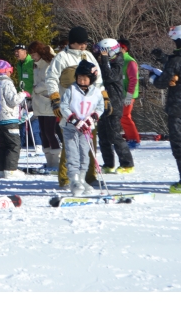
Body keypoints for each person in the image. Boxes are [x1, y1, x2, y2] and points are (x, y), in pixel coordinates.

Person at [45, 26, 108, 188]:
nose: (83, 46)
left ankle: (89, 176)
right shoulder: (62, 57)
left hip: (88, 106)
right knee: (71, 144)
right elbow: (51, 78)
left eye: (85, 43)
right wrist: (55, 98)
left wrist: (104, 97)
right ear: (72, 43)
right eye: (80, 43)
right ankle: (66, 178)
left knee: (90, 141)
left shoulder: (88, 56)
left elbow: (98, 79)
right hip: (71, 106)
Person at [151, 25, 181, 194]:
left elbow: (161, 82)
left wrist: (153, 77)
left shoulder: (176, 61)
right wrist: (163, 59)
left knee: (180, 145)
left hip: (179, 109)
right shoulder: (177, 60)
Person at [60, 60, 104, 196]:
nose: (81, 80)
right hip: (70, 128)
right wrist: (74, 120)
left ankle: (82, 179)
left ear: (91, 79)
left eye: (84, 78)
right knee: (73, 154)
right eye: (79, 77)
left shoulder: (96, 92)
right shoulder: (71, 90)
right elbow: (64, 106)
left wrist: (93, 118)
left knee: (85, 154)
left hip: (86, 129)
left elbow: (100, 108)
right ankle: (74, 180)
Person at [94, 39, 135, 174]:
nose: (101, 55)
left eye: (104, 52)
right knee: (103, 136)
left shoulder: (118, 63)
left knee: (114, 135)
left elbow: (109, 76)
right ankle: (108, 163)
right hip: (102, 104)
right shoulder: (106, 63)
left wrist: (104, 60)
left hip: (114, 104)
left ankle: (127, 163)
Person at [0, 60, 30, 178]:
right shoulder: (6, 83)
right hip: (9, 118)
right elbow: (13, 101)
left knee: (3, 144)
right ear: (7, 71)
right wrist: (23, 94)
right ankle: (11, 169)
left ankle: (1, 169)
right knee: (13, 144)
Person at [27, 41, 60, 168]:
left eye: (34, 54)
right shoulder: (36, 66)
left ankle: (56, 160)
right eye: (32, 55)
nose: (33, 57)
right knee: (42, 132)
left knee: (50, 132)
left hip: (48, 101)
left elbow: (49, 82)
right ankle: (49, 160)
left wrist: (37, 89)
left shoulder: (48, 64)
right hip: (38, 102)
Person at [14, 44, 42, 155]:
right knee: (22, 121)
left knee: (34, 121)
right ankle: (21, 144)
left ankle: (38, 144)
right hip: (23, 97)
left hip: (33, 96)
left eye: (18, 51)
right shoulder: (18, 64)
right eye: (15, 51)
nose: (16, 53)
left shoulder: (31, 62)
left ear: (25, 51)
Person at [118, 38, 141, 148]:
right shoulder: (118, 60)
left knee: (125, 116)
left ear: (124, 48)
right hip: (121, 93)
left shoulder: (130, 61)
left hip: (128, 94)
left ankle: (134, 139)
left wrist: (129, 95)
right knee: (122, 116)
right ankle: (129, 137)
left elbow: (133, 80)